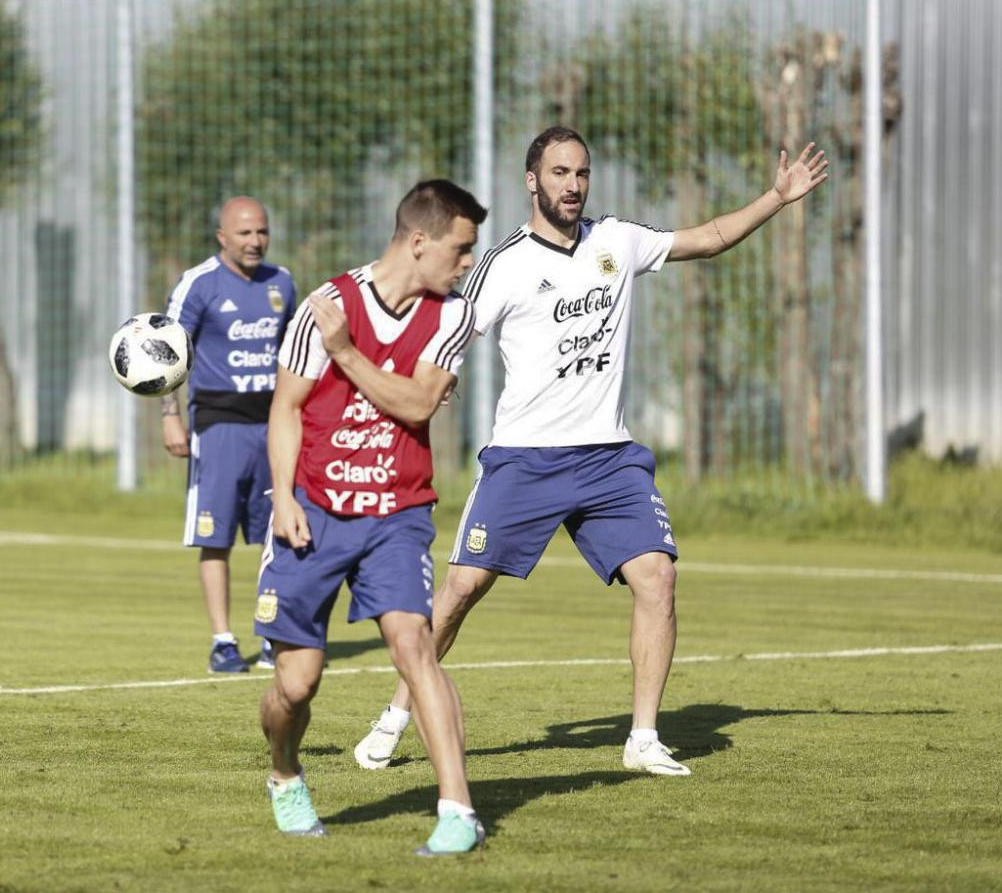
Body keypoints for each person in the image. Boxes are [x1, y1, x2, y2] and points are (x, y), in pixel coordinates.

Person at [354, 126, 829, 776]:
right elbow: (451, 329)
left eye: (581, 173)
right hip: (524, 458)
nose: (573, 185)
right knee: (461, 588)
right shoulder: (505, 263)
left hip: (609, 459)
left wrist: (776, 197)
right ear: (532, 181)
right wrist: (435, 377)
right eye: (559, 173)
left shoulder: (617, 240)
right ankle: (396, 714)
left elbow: (709, 237)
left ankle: (642, 738)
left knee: (658, 577)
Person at [255, 179, 486, 855]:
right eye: (462, 248)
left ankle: (457, 812)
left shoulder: (451, 316)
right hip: (315, 511)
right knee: (296, 686)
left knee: (415, 644)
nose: (469, 262)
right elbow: (287, 408)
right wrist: (284, 496)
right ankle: (284, 771)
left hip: (398, 511)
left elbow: (416, 406)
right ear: (420, 241)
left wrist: (347, 352)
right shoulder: (323, 306)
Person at [163, 196, 297, 674]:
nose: (255, 241)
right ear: (223, 237)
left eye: (261, 231)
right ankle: (223, 640)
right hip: (217, 424)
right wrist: (168, 414)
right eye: (244, 233)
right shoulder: (198, 285)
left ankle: (269, 634)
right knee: (214, 537)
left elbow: (294, 357)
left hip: (273, 426)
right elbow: (166, 352)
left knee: (275, 536)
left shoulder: (282, 283)